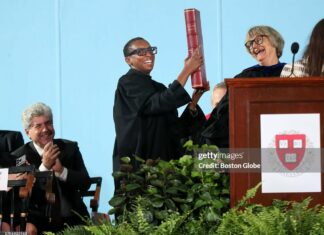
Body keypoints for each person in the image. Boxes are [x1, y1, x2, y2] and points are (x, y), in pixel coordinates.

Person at [113, 37, 205, 174]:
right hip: (139, 162)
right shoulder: (127, 82)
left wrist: (193, 102)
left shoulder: (158, 87)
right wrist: (186, 70)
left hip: (165, 161)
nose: (149, 54)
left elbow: (174, 128)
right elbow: (156, 104)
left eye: (150, 50)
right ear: (128, 60)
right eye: (141, 52)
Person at [190, 25, 286, 148]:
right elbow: (222, 116)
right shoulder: (244, 78)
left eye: (258, 40)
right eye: (250, 44)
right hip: (251, 143)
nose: (254, 47)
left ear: (273, 40)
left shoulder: (292, 73)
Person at [8, 102, 91, 234]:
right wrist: (45, 167)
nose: (45, 129)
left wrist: (61, 171)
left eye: (48, 123)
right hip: (39, 224)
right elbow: (25, 197)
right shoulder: (19, 157)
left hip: (75, 220)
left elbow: (86, 183)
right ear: (28, 132)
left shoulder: (70, 148)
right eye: (38, 126)